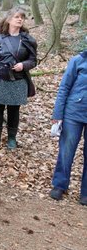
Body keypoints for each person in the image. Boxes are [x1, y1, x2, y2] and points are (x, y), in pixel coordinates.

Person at [0, 7, 37, 150]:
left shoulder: (27, 39)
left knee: (14, 110)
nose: (20, 19)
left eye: (22, 17)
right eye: (16, 17)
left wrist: (23, 65)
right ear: (8, 19)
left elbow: (33, 60)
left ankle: (12, 138)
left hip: (18, 79)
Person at [50, 50, 86, 205]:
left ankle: (85, 193)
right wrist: (57, 114)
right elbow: (64, 87)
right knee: (66, 150)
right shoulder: (78, 60)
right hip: (74, 112)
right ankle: (60, 185)